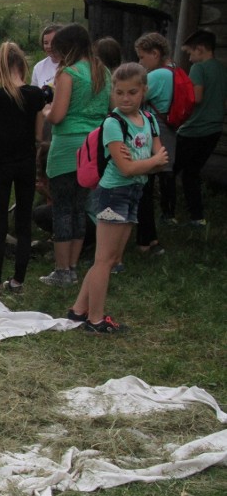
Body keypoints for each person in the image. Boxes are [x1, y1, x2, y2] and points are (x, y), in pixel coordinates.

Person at [68, 62, 168, 334]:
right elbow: (128, 168)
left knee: (111, 259)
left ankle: (79, 310)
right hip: (115, 193)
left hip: (135, 190)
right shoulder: (114, 123)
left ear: (144, 91)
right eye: (120, 92)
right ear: (113, 92)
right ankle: (96, 320)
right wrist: (149, 161)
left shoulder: (148, 120)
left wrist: (147, 162)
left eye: (132, 92)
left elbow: (161, 160)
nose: (125, 98)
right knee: (104, 260)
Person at [40, 23, 111, 287]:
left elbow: (58, 116)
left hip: (68, 146)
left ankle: (62, 270)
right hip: (94, 146)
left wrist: (47, 110)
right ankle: (73, 266)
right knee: (81, 208)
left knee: (62, 209)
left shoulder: (68, 74)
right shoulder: (102, 71)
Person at [0, 42, 45, 296]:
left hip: (2, 163)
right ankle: (18, 281)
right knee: (24, 223)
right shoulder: (36, 94)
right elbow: (38, 134)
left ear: (1, 66)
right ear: (22, 64)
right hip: (26, 162)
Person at [172, 30, 227, 228]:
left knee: (170, 170)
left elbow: (196, 97)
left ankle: (168, 215)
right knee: (191, 173)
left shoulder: (198, 68)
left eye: (190, 53)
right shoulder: (221, 69)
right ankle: (197, 217)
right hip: (214, 130)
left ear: (201, 49)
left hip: (193, 130)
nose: (189, 57)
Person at [135, 32, 177, 254]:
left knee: (144, 188)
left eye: (142, 57)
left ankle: (146, 239)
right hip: (167, 132)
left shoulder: (158, 75)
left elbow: (134, 98)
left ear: (155, 53)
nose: (140, 63)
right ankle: (154, 231)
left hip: (152, 135)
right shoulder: (173, 70)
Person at [32, 24, 62, 89]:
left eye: (53, 42)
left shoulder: (72, 65)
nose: (49, 46)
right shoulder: (38, 68)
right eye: (46, 43)